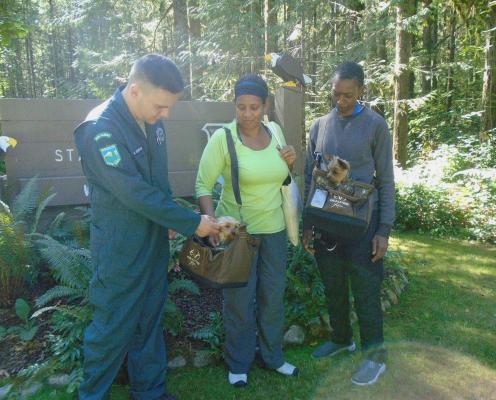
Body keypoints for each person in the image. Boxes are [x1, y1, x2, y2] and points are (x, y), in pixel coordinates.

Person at [74, 54, 220, 400]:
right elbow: (134, 193)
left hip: (153, 242)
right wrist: (190, 223)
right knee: (111, 329)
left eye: (169, 108)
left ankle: (150, 393)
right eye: (161, 106)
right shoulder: (99, 129)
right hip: (120, 250)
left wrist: (169, 220)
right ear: (135, 90)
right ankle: (92, 396)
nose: (165, 115)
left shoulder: (152, 120)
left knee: (149, 323)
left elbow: (157, 181)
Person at [195, 74, 298, 387]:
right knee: (239, 300)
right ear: (235, 106)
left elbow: (281, 176)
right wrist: (211, 221)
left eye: (255, 107)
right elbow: (203, 184)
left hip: (275, 230)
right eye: (242, 107)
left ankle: (273, 357)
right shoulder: (223, 139)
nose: (248, 113)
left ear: (265, 106)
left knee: (273, 296)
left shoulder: (276, 131)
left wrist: (290, 163)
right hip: (238, 233)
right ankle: (238, 363)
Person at [303, 61, 395, 386]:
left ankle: (375, 357)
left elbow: (385, 181)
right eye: (336, 94)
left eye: (348, 95)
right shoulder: (319, 126)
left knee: (366, 292)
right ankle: (342, 338)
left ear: (361, 91)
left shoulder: (375, 126)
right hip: (327, 223)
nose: (341, 101)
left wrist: (383, 230)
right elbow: (309, 177)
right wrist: (307, 223)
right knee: (334, 287)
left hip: (362, 226)